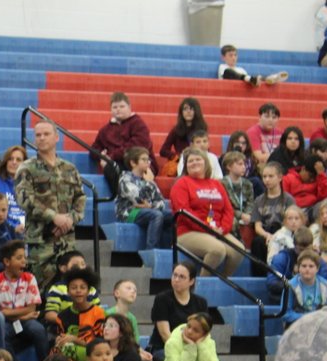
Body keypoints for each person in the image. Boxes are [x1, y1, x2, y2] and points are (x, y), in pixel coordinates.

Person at [15, 120, 86, 285]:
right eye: (38, 135)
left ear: (56, 137)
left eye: (46, 134)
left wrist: (70, 219)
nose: (41, 138)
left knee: (69, 288)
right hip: (41, 240)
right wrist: (53, 217)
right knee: (40, 290)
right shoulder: (27, 168)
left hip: (66, 240)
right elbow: (24, 199)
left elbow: (80, 197)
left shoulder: (69, 168)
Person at [170, 146, 244, 277]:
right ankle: (202, 285)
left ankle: (222, 280)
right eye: (190, 161)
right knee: (217, 250)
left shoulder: (216, 184)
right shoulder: (181, 183)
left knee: (239, 250)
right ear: (185, 166)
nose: (194, 163)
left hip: (217, 230)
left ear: (206, 163)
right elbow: (184, 212)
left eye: (198, 159)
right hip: (187, 231)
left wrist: (223, 229)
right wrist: (208, 228)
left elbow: (228, 210)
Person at [91, 91, 153, 193]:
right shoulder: (105, 130)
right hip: (117, 164)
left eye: (122, 106)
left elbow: (136, 147)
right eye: (115, 107)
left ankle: (135, 198)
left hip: (137, 161)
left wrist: (111, 156)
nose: (118, 110)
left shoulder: (138, 124)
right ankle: (124, 198)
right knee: (111, 167)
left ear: (129, 107)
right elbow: (94, 148)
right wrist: (101, 156)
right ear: (110, 109)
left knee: (127, 167)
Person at [117, 146, 172, 249]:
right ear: (133, 163)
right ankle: (151, 250)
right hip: (129, 213)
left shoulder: (149, 180)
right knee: (156, 215)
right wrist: (148, 183)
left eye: (148, 160)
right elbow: (136, 198)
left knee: (172, 216)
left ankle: (167, 250)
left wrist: (150, 206)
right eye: (144, 159)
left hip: (148, 211)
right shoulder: (125, 178)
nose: (148, 162)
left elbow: (161, 202)